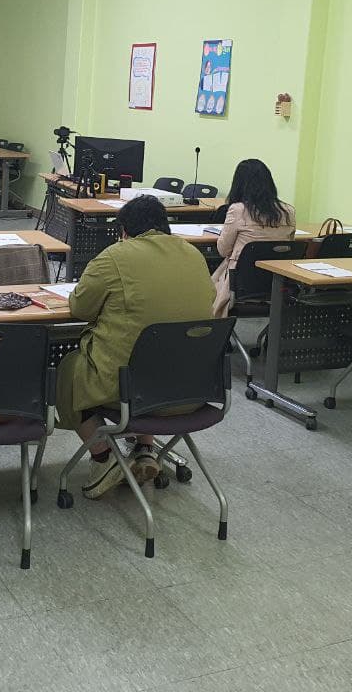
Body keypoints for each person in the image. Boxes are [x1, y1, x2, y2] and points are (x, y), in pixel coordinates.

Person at [57, 195, 215, 499]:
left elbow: (80, 307)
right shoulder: (194, 256)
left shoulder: (115, 256)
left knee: (69, 369)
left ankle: (104, 459)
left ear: (124, 231)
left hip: (132, 392)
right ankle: (145, 449)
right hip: (192, 389)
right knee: (156, 358)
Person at [211, 158, 296, 317]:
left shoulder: (238, 210)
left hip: (241, 282)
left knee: (209, 285)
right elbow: (288, 246)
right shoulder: (288, 211)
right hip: (276, 281)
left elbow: (223, 250)